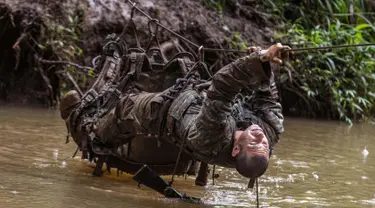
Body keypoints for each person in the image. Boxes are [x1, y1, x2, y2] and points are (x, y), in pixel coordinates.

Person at [88, 43, 291, 186]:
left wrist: (254, 60)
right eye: (264, 145)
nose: (261, 138)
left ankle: (95, 138)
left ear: (236, 150)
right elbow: (268, 98)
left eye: (255, 144)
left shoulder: (212, 137)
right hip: (200, 101)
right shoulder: (270, 133)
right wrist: (265, 63)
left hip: (166, 113)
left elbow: (223, 87)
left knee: (126, 105)